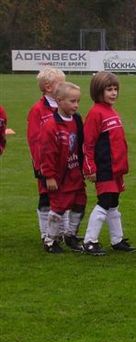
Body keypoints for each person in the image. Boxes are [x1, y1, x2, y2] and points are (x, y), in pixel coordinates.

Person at [82, 71, 135, 256]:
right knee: (104, 201)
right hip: (104, 167)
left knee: (113, 202)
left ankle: (117, 239)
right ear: (98, 91)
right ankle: (89, 241)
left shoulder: (112, 111)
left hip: (115, 169)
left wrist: (121, 170)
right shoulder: (95, 113)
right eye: (109, 89)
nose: (113, 93)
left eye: (115, 89)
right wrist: (89, 167)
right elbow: (88, 143)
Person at [39, 82, 86, 253]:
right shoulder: (51, 126)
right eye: (72, 101)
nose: (76, 105)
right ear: (59, 101)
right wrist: (49, 176)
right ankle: (50, 240)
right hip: (59, 176)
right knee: (58, 207)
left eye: (78, 101)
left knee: (80, 203)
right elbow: (46, 153)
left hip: (75, 173)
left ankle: (70, 235)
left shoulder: (77, 120)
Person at [26, 68, 66, 242]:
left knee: (64, 196)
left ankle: (62, 232)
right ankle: (46, 233)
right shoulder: (37, 110)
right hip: (45, 163)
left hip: (63, 163)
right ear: (49, 87)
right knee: (46, 197)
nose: (65, 86)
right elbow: (34, 139)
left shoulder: (64, 105)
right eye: (61, 83)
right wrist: (40, 164)